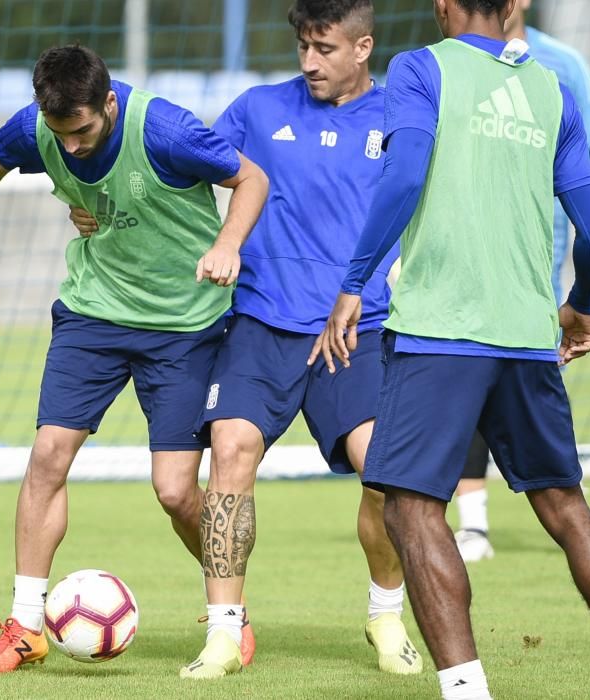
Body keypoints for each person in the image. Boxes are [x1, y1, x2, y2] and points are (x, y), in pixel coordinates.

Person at [0, 44, 269, 675]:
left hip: (183, 327)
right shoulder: (39, 127)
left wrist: (228, 242)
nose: (71, 148)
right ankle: (26, 626)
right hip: (93, 314)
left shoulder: (166, 129)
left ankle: (230, 616)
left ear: (109, 104)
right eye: (60, 137)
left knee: (176, 493)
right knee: (46, 457)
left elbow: (251, 178)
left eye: (84, 132)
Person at [314, 0, 590, 698]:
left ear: (442, 6)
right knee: (565, 505)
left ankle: (467, 690)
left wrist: (353, 282)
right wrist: (579, 306)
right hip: (528, 336)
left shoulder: (419, 68)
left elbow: (403, 178)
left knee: (409, 509)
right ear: (518, 5)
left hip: (441, 330)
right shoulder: (551, 86)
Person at [178, 0, 422, 680]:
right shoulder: (256, 109)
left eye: (325, 48)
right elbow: (178, 167)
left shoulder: (397, 119)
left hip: (357, 329)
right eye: (303, 48)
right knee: (231, 447)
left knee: (385, 471)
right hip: (261, 323)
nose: (310, 62)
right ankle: (224, 633)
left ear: (363, 46)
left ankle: (384, 612)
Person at [453, 0, 590, 565]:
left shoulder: (563, 64)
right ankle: (475, 524)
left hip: (540, 257)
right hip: (470, 252)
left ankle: (561, 498)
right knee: (468, 373)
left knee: (530, 381)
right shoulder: (449, 63)